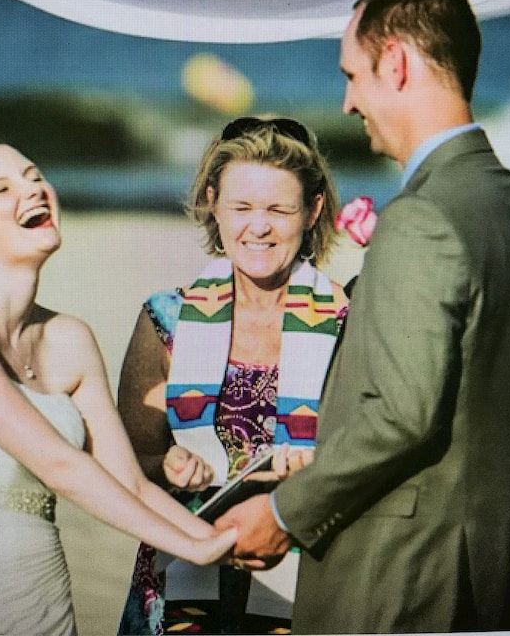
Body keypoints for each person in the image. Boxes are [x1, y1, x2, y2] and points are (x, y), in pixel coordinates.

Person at [215, 0, 510, 633]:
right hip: (490, 568)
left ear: (398, 64)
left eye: (353, 75)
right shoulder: (506, 204)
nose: (350, 101)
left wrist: (283, 515)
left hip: (402, 581)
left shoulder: (422, 218)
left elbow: (403, 415)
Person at [0, 135, 237, 636]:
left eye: (34, 176)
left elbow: (128, 482)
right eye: (2, 189)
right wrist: (196, 548)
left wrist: (221, 537)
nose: (34, 191)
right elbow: (58, 463)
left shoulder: (69, 337)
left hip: (42, 595)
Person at [116, 116, 348, 635]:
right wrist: (167, 462)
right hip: (184, 577)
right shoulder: (166, 320)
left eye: (278, 209)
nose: (258, 227)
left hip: (306, 575)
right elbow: (129, 460)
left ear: (312, 212)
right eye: (241, 207)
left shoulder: (348, 321)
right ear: (212, 203)